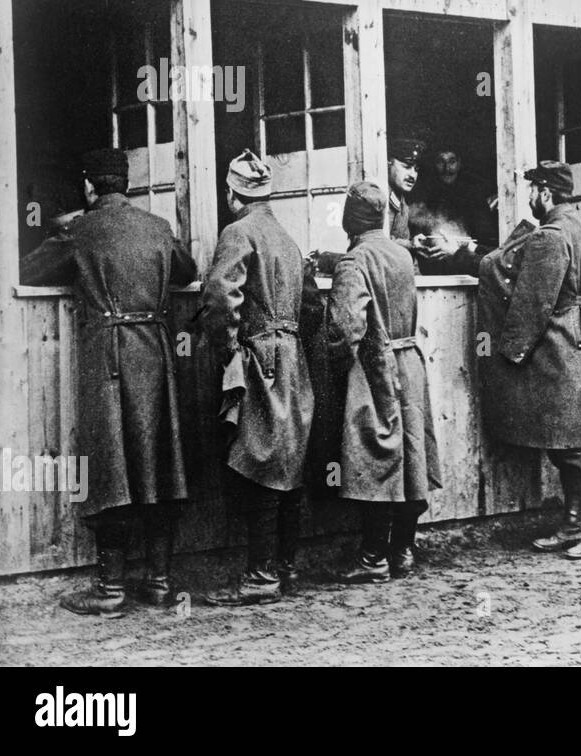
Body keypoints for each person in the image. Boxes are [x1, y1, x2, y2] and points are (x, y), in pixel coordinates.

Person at [20, 149, 196, 616]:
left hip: (109, 361)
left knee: (111, 466)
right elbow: (188, 272)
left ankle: (110, 589)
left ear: (88, 186)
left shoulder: (78, 230)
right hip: (156, 355)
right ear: (127, 182)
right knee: (160, 463)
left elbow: (26, 273)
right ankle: (159, 582)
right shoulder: (158, 227)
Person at [487, 161, 581, 560]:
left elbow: (534, 301)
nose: (529, 198)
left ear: (545, 193)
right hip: (578, 335)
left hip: (559, 344)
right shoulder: (577, 228)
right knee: (565, 438)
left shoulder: (548, 236)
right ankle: (576, 520)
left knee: (576, 443)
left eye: (532, 190)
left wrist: (512, 349)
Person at [201, 150, 318, 605]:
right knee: (285, 460)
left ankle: (260, 576)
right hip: (293, 360)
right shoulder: (287, 239)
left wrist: (230, 348)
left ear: (233, 195)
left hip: (258, 359)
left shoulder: (238, 231)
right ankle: (285, 566)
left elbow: (218, 296)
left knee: (259, 463)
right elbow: (311, 307)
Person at [327, 181, 442, 582]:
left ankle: (372, 557)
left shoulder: (353, 262)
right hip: (409, 361)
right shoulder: (401, 254)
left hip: (374, 367)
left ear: (349, 221)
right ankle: (403, 551)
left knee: (373, 458)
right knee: (411, 456)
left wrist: (336, 365)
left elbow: (345, 329)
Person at [411, 146, 498, 276]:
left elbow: (488, 242)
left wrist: (463, 246)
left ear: (459, 163)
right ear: (434, 164)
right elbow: (415, 232)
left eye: (452, 161)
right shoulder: (425, 195)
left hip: (468, 271)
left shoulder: (474, 197)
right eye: (441, 162)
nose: (447, 168)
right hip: (432, 272)